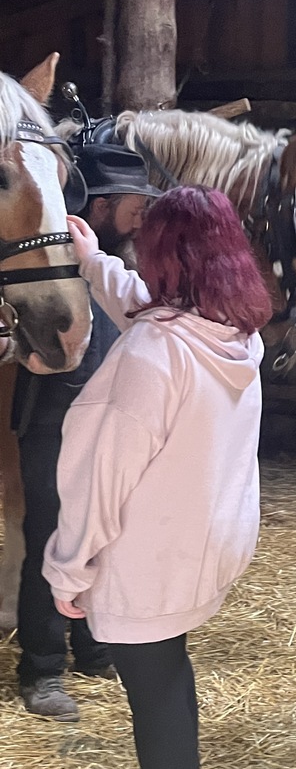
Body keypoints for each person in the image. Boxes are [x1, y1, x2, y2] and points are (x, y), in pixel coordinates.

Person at [42, 186, 272, 769]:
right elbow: (149, 310)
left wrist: (68, 569)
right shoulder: (231, 329)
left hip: (148, 559)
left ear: (163, 251)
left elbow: (98, 477)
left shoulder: (151, 354)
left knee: (156, 689)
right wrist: (91, 261)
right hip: (207, 544)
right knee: (169, 670)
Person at [13, 145, 161, 721]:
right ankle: (43, 668)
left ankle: (94, 648)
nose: (140, 216)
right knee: (51, 540)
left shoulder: (118, 265)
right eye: (132, 204)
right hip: (52, 418)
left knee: (106, 537)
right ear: (99, 206)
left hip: (106, 425)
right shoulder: (49, 268)